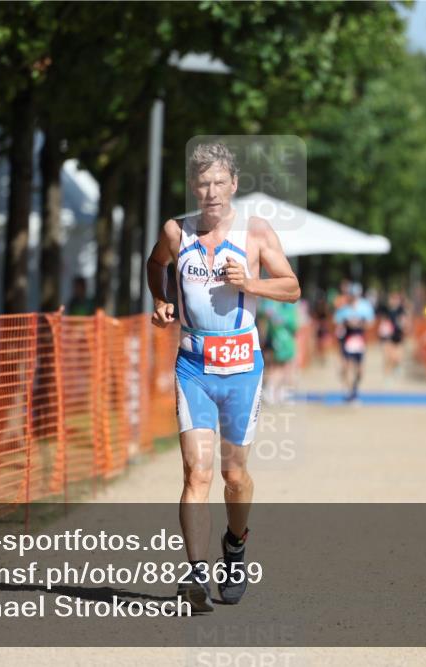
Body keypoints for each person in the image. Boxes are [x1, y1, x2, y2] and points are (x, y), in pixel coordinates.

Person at [146, 142, 300, 612]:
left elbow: (292, 288)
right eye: (202, 183)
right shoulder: (176, 232)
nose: (211, 192)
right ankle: (195, 576)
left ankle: (235, 545)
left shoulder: (254, 233)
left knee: (234, 476)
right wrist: (161, 299)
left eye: (219, 182)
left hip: (241, 372)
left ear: (233, 185)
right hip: (192, 367)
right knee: (197, 472)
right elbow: (156, 265)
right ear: (194, 187)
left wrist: (249, 283)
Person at [333, 282, 374, 401]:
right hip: (346, 339)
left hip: (359, 340)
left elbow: (370, 323)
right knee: (347, 366)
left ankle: (354, 388)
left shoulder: (365, 306)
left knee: (360, 370)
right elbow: (336, 322)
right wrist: (345, 324)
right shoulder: (343, 308)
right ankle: (349, 391)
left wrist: (360, 324)